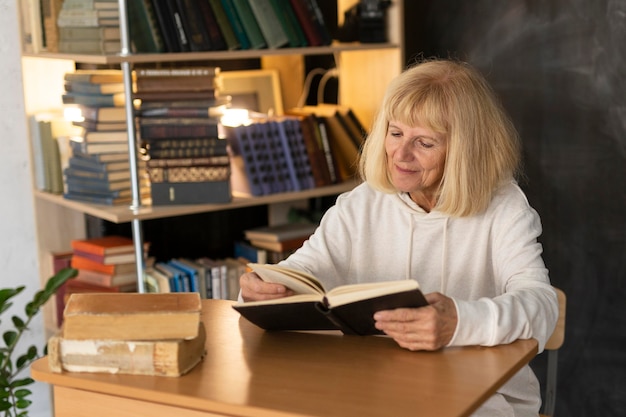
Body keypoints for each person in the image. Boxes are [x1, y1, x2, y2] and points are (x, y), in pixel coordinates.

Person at [239, 58, 558, 417]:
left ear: (464, 150)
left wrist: (459, 322)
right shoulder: (361, 203)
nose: (401, 155)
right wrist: (264, 288)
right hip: (375, 387)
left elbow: (542, 305)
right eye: (395, 133)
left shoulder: (504, 207)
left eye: (424, 142)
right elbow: (303, 270)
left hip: (479, 396)